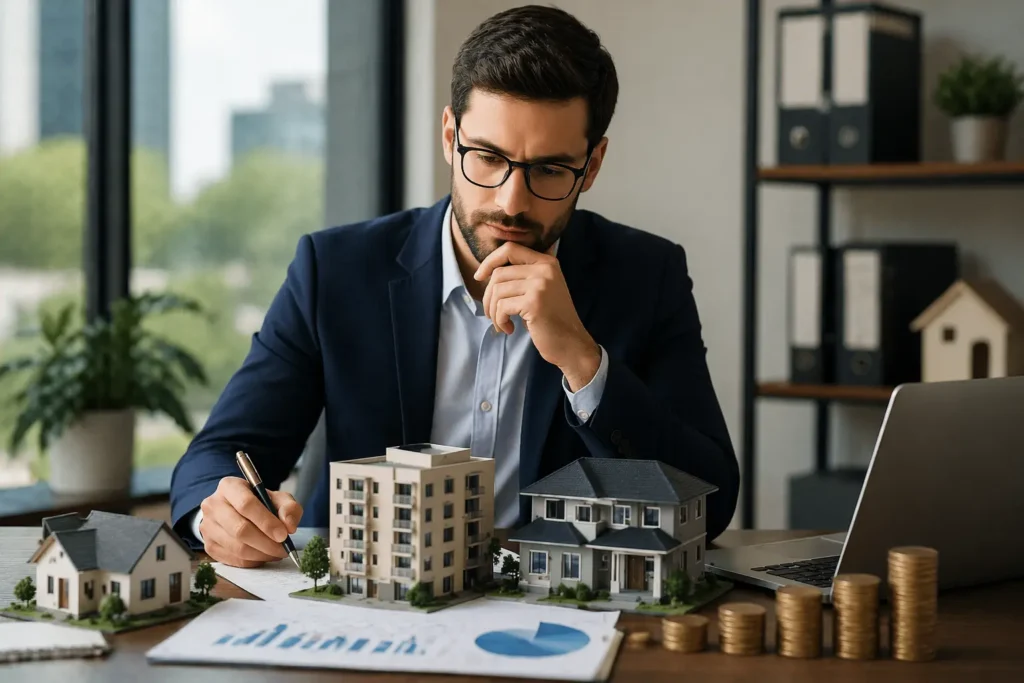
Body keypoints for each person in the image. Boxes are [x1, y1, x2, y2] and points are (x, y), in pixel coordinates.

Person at [170, 4, 740, 568]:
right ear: (450, 135)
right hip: (368, 607)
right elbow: (217, 457)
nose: (511, 202)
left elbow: (710, 502)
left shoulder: (647, 276)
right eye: (488, 158)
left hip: (557, 615)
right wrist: (215, 515)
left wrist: (584, 364)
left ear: (591, 167)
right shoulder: (336, 270)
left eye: (548, 170)